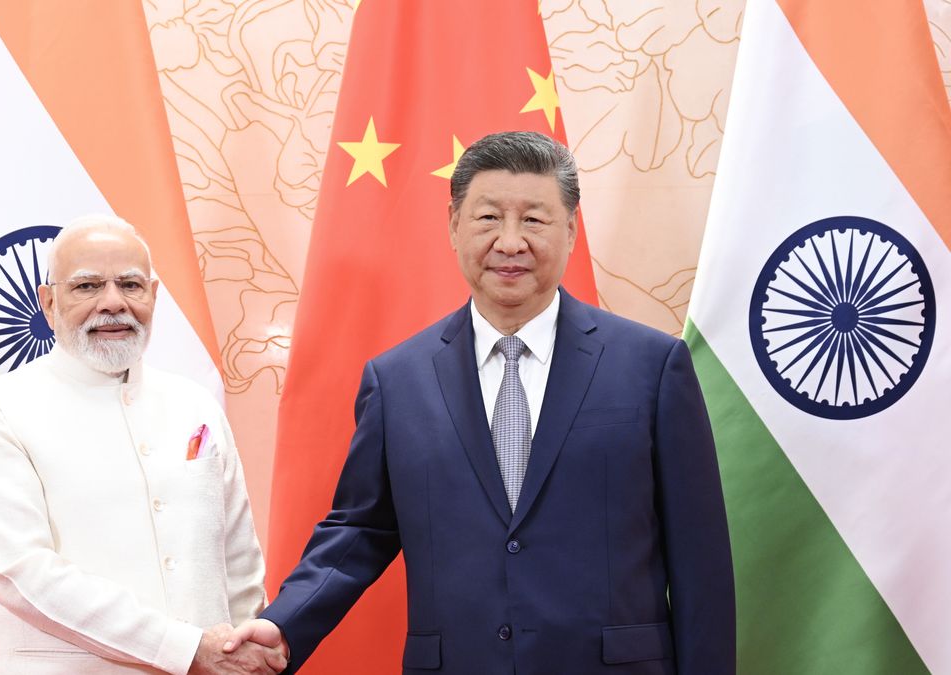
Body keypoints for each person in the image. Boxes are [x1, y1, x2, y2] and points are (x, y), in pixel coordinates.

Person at [225, 132, 736, 673]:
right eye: (488, 218)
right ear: (453, 226)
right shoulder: (397, 381)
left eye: (534, 220)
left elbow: (700, 560)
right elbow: (360, 529)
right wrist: (284, 622)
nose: (510, 242)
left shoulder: (653, 367)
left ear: (570, 229)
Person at [0, 214, 286, 675]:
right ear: (49, 303)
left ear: (153, 296)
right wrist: (184, 648)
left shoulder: (195, 404)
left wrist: (247, 646)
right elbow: (21, 572)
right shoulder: (0, 409)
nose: (112, 303)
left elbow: (238, 558)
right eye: (87, 287)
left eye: (130, 285)